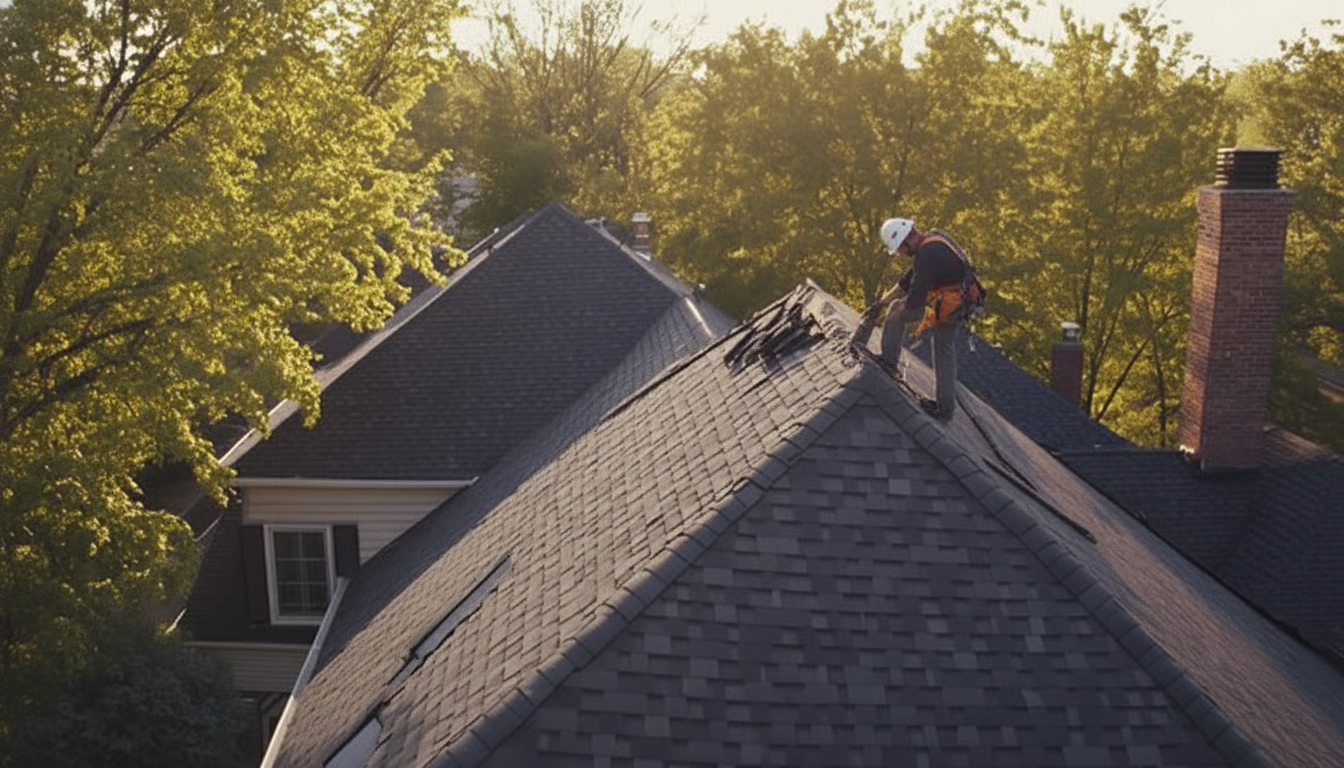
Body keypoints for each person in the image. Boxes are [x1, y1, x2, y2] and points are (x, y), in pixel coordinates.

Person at [873, 217, 976, 418]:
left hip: (951, 305)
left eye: (900, 250)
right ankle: (945, 408)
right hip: (958, 302)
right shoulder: (931, 243)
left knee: (898, 315)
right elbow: (909, 279)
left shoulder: (927, 255)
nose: (902, 254)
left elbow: (915, 299)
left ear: (905, 241)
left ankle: (889, 361)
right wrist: (882, 303)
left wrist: (895, 310)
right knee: (942, 349)